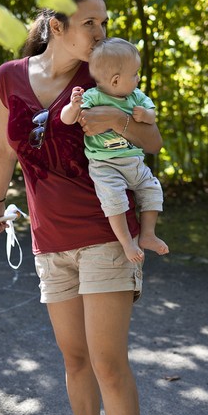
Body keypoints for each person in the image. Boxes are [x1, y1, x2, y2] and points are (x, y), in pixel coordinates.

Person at [0, 0, 162, 415]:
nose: (101, 32)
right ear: (56, 26)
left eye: (104, 22)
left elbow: (153, 141)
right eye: (90, 23)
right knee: (76, 361)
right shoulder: (9, 77)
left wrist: (116, 123)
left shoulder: (101, 75)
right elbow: (4, 145)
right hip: (49, 242)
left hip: (106, 235)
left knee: (107, 364)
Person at [60, 37, 169, 263]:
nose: (138, 78)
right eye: (135, 74)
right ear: (116, 80)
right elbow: (66, 119)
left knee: (152, 189)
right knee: (115, 200)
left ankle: (148, 234)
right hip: (105, 165)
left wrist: (145, 116)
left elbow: (152, 113)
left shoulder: (135, 96)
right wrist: (73, 106)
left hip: (134, 163)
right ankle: (127, 242)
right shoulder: (92, 97)